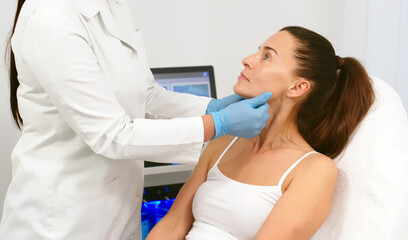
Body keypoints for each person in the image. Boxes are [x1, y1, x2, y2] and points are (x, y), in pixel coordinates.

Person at [0, 0, 271, 239]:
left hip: (114, 211)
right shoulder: (50, 15)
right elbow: (110, 134)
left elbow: (145, 95)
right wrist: (217, 124)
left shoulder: (113, 6)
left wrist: (211, 107)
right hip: (60, 222)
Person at [146, 26, 375, 240]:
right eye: (258, 51)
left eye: (267, 56)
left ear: (297, 87)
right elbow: (172, 225)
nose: (247, 60)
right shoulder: (226, 140)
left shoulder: (314, 169)